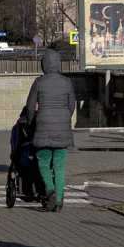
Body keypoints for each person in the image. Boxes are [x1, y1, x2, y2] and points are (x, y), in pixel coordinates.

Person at [25, 49, 76, 212]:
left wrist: (33, 123)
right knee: (60, 164)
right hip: (62, 126)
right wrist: (65, 118)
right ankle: (59, 201)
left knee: (43, 160)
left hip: (43, 125)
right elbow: (71, 105)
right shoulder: (67, 82)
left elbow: (30, 107)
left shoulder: (39, 82)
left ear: (43, 65)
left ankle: (50, 190)